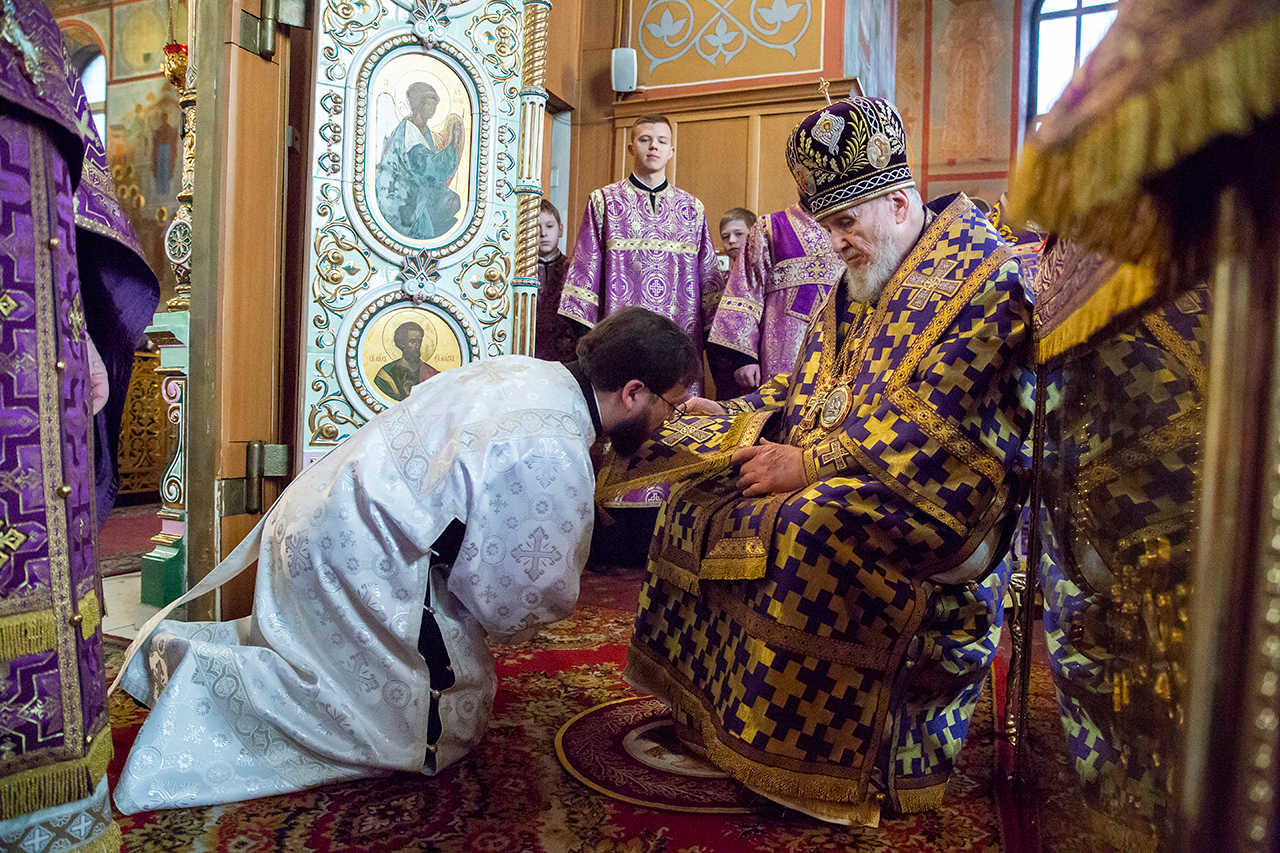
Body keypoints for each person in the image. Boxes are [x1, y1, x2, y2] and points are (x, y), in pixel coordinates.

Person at [614, 96, 1033, 826]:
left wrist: (810, 465)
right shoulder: (865, 275)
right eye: (827, 225)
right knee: (699, 496)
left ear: (898, 203)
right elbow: (812, 386)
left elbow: (946, 420)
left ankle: (817, 762)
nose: (834, 243)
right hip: (856, 467)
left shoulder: (982, 277)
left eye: (844, 224)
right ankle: (723, 717)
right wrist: (736, 415)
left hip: (940, 493)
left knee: (806, 525)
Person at [110, 307, 700, 814]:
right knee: (425, 733)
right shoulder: (554, 444)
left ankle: (184, 654)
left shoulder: (530, 374)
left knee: (328, 661)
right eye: (671, 406)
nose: (669, 423)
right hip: (360, 560)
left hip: (318, 521)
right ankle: (205, 694)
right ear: (632, 392)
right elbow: (519, 595)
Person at [0, 4, 160, 852]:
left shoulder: (34, 32)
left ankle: (45, 821)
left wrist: (90, 339)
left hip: (37, 367)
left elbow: (75, 218)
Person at [558, 114, 722, 397]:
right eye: (645, 139)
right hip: (623, 341)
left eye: (662, 141)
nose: (653, 146)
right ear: (631, 147)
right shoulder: (604, 201)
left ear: (671, 151)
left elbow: (709, 282)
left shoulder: (692, 208)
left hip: (678, 339)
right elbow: (584, 275)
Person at [706, 201, 844, 394]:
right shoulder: (769, 227)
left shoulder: (848, 225)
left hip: (841, 335)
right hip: (780, 345)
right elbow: (745, 289)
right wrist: (744, 357)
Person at [374, 82, 463, 240]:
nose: (433, 108)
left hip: (416, 188)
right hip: (402, 195)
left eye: (435, 104)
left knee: (452, 203)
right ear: (419, 105)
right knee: (426, 229)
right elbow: (428, 169)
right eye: (429, 104)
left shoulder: (424, 130)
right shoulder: (409, 130)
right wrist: (453, 145)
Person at [533, 198, 577, 362]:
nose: (543, 233)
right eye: (536, 228)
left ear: (560, 229)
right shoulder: (520, 272)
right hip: (531, 353)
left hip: (566, 357)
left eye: (549, 226)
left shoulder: (575, 271)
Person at [373, 320, 440, 401]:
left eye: (419, 341)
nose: (417, 346)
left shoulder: (431, 373)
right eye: (412, 341)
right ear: (402, 343)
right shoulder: (386, 374)